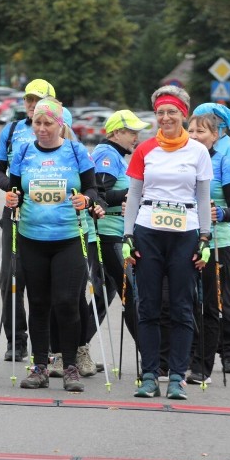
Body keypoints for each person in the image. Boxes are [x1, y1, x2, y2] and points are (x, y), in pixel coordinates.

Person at [4, 97, 101, 393]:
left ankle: (70, 366)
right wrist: (12, 199)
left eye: (49, 123)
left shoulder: (75, 150)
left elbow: (93, 189)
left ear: (60, 124)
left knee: (67, 302)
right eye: (38, 123)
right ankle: (40, 367)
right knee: (39, 303)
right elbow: (15, 188)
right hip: (32, 238)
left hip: (68, 238)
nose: (42, 129)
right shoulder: (23, 151)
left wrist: (86, 200)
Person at [123, 85, 213, 400]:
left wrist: (205, 238)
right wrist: (127, 234)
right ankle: (149, 375)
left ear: (183, 114)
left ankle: (177, 377)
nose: (165, 117)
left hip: (185, 234)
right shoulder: (145, 149)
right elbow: (133, 194)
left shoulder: (198, 152)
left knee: (182, 307)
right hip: (148, 231)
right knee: (146, 306)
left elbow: (203, 199)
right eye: (160, 112)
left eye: (171, 112)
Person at [0, 79, 56, 362]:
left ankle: (52, 343)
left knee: (49, 282)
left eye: (38, 100)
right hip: (16, 213)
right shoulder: (13, 129)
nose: (31, 105)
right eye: (29, 99)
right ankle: (16, 341)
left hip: (50, 218)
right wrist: (14, 188)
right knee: (12, 278)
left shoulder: (62, 132)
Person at [81, 110, 149, 375]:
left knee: (102, 297)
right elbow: (99, 194)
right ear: (115, 133)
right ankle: (152, 360)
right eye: (131, 132)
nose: (136, 137)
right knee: (131, 295)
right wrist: (133, 194)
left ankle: (73, 350)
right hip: (105, 235)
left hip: (111, 234)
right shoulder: (107, 155)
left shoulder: (115, 155)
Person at [186, 112, 230, 384]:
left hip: (216, 243)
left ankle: (202, 366)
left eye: (202, 132)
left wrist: (219, 214)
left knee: (209, 305)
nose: (196, 136)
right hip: (182, 239)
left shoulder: (224, 162)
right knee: (183, 303)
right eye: (192, 131)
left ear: (215, 136)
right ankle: (182, 358)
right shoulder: (182, 160)